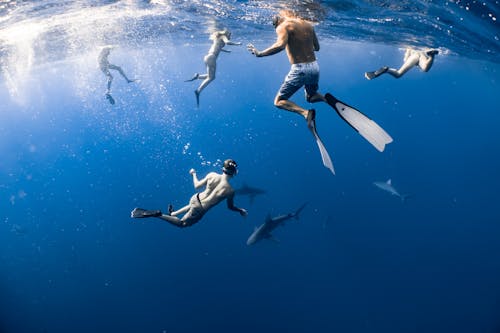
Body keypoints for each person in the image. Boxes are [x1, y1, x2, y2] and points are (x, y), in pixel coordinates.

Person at [247, 10, 393, 175]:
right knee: (310, 96)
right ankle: (325, 99)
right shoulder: (307, 23)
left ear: (280, 15)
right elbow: (317, 47)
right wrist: (301, 43)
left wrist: (260, 54)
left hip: (299, 69)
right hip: (315, 67)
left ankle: (305, 113)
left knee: (279, 101)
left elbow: (280, 45)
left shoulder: (283, 25)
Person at [131, 159, 248, 228]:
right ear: (234, 172)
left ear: (222, 168)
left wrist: (193, 174)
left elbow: (197, 186)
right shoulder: (230, 191)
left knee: (191, 206)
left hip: (195, 198)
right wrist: (240, 210)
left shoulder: (212, 175)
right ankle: (158, 214)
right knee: (182, 224)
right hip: (201, 208)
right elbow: (230, 207)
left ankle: (173, 213)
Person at [186, 29, 241, 107]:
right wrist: (237, 44)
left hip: (207, 57)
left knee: (210, 76)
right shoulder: (223, 36)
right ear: (227, 33)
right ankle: (198, 91)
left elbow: (218, 48)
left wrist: (226, 51)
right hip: (212, 58)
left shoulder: (218, 39)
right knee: (211, 78)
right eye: (230, 35)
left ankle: (197, 76)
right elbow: (228, 42)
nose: (230, 36)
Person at [365, 47, 439, 80]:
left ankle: (432, 55)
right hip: (418, 55)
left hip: (415, 54)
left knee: (399, 73)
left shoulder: (419, 60)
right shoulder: (421, 60)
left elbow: (407, 55)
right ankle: (431, 55)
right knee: (425, 68)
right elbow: (407, 56)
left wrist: (408, 52)